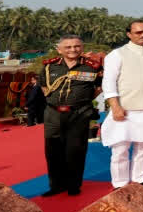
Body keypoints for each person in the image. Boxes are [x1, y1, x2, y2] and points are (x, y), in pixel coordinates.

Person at [100, 20, 143, 189]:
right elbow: (109, 82)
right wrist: (115, 106)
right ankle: (119, 183)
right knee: (120, 149)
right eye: (138, 32)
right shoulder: (117, 54)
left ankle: (139, 179)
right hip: (124, 108)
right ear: (129, 34)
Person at [39, 35, 100, 197]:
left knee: (76, 151)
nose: (73, 50)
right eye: (68, 47)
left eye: (76, 46)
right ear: (59, 50)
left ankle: (73, 185)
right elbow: (45, 88)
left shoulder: (92, 67)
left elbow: (98, 88)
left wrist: (80, 100)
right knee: (52, 151)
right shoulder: (49, 67)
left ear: (82, 47)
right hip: (53, 113)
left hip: (79, 113)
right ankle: (56, 185)